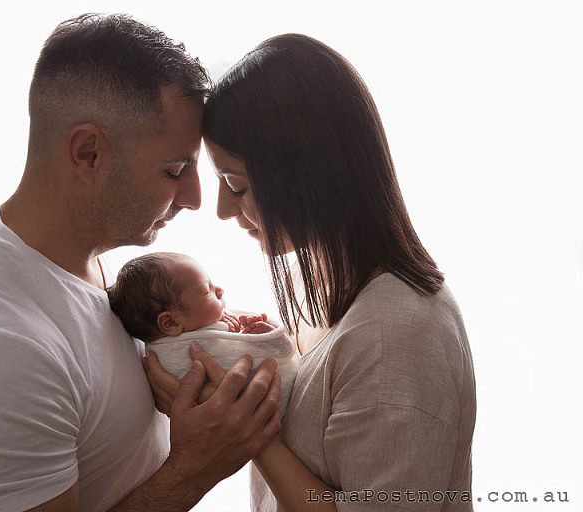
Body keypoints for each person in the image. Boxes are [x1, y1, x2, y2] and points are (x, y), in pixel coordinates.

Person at [0, 14, 281, 512]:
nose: (195, 198)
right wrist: (192, 470)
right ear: (88, 153)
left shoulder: (84, 261)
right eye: (175, 170)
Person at [146, 33, 477, 511]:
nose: (221, 209)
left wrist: (247, 430)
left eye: (236, 185)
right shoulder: (316, 280)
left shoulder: (399, 336)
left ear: (307, 176)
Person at [107, 251, 298, 414]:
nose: (220, 290)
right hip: (284, 409)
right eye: (207, 291)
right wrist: (265, 332)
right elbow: (282, 352)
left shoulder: (159, 351)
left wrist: (224, 325)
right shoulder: (203, 346)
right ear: (170, 322)